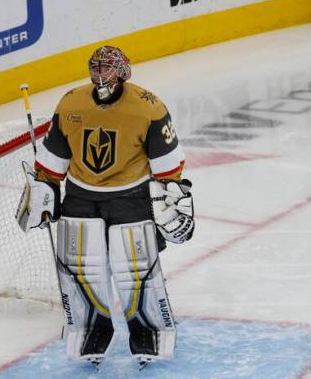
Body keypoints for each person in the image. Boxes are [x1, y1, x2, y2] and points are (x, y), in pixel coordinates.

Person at [16, 45, 193, 368]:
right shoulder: (71, 102)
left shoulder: (148, 107)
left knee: (136, 269)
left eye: (107, 67)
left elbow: (168, 167)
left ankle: (149, 329)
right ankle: (89, 328)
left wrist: (171, 199)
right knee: (80, 269)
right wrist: (44, 191)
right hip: (81, 195)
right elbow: (54, 159)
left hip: (132, 196)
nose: (101, 74)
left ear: (123, 71)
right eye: (96, 67)